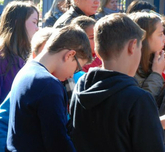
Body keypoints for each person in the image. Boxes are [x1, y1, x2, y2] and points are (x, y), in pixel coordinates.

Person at [70, 13, 165, 151]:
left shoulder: (82, 85)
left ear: (96, 49)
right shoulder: (138, 99)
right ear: (132, 46)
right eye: (140, 47)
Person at [6, 25, 92, 151]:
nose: (72, 75)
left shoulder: (26, 71)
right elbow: (57, 141)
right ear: (69, 55)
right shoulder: (49, 84)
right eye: (77, 68)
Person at [0, 0, 39, 152]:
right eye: (34, 22)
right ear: (18, 23)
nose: (38, 28)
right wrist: (15, 127)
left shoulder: (32, 56)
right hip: (5, 139)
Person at [0, 27, 54, 152]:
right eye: (46, 53)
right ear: (35, 55)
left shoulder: (72, 79)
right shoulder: (29, 82)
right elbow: (0, 121)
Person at [129, 12, 165, 99]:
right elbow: (142, 104)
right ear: (144, 39)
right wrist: (156, 73)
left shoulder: (155, 59)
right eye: (160, 34)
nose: (164, 38)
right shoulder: (131, 70)